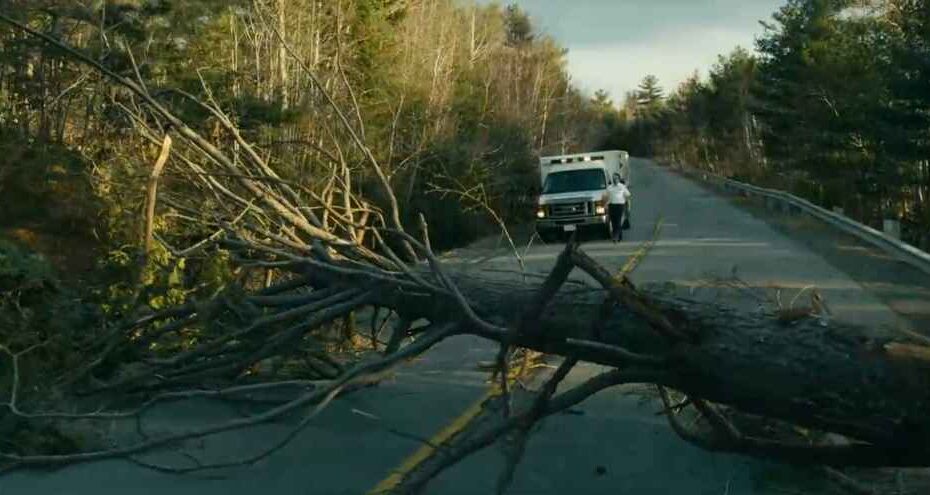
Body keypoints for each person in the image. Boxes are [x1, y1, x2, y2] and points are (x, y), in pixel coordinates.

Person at [608, 176, 631, 242]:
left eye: (616, 179)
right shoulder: (609, 188)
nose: (615, 180)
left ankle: (616, 236)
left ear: (618, 180)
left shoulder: (622, 187)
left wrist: (626, 207)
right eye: (614, 179)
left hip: (620, 206)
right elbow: (606, 197)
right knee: (614, 222)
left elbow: (628, 196)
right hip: (612, 206)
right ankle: (618, 236)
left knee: (618, 221)